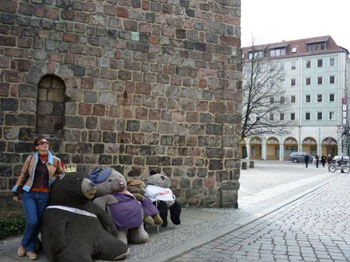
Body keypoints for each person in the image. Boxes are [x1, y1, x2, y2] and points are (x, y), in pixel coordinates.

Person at [12, 136, 64, 260]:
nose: (45, 144)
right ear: (36, 147)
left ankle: (30, 249)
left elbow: (61, 172)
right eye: (42, 143)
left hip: (44, 195)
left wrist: (58, 175)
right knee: (32, 221)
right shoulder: (31, 158)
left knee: (38, 223)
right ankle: (24, 245)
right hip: (29, 193)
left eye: (46, 142)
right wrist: (16, 191)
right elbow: (23, 174)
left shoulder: (55, 160)